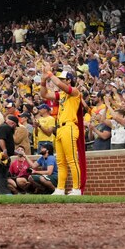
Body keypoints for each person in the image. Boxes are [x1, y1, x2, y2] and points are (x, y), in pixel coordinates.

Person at [43, 68, 86, 196]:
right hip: (60, 128)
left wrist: (50, 74)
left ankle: (76, 189)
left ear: (69, 80)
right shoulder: (61, 95)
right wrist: (43, 80)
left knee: (72, 160)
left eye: (63, 79)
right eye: (60, 78)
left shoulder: (75, 92)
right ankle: (60, 189)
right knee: (61, 162)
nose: (60, 81)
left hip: (69, 127)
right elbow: (44, 95)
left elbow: (61, 86)